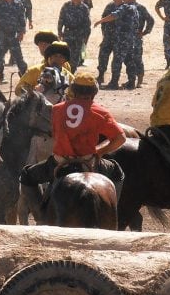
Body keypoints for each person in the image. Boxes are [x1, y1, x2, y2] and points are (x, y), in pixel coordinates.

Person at [19, 70, 126, 208]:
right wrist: (99, 151)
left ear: (73, 91)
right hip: (89, 161)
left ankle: (39, 214)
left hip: (59, 162)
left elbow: (53, 132)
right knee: (117, 172)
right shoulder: (101, 112)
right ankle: (113, 209)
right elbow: (120, 139)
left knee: (27, 175)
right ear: (94, 92)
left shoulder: (56, 110)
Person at [93, 0, 139, 89]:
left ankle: (114, 83)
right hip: (129, 40)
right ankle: (131, 82)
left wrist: (100, 21)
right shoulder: (135, 8)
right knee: (129, 60)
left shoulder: (127, 7)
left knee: (117, 62)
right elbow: (136, 25)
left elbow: (114, 15)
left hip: (122, 40)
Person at [57, 0, 92, 68]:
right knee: (65, 55)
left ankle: (72, 73)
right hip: (67, 34)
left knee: (75, 58)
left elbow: (87, 24)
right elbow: (61, 19)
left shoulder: (84, 8)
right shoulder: (66, 5)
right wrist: (59, 32)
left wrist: (86, 37)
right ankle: (64, 74)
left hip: (78, 36)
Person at [96, 0, 124, 84]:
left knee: (117, 60)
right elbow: (104, 18)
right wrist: (104, 32)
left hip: (119, 39)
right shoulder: (110, 6)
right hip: (108, 37)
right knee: (102, 56)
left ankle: (114, 80)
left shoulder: (125, 7)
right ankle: (101, 75)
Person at [129, 0, 155, 87]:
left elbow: (151, 20)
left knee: (137, 58)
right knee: (129, 59)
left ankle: (139, 81)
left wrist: (144, 32)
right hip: (126, 39)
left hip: (136, 38)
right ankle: (130, 80)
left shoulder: (140, 8)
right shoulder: (125, 7)